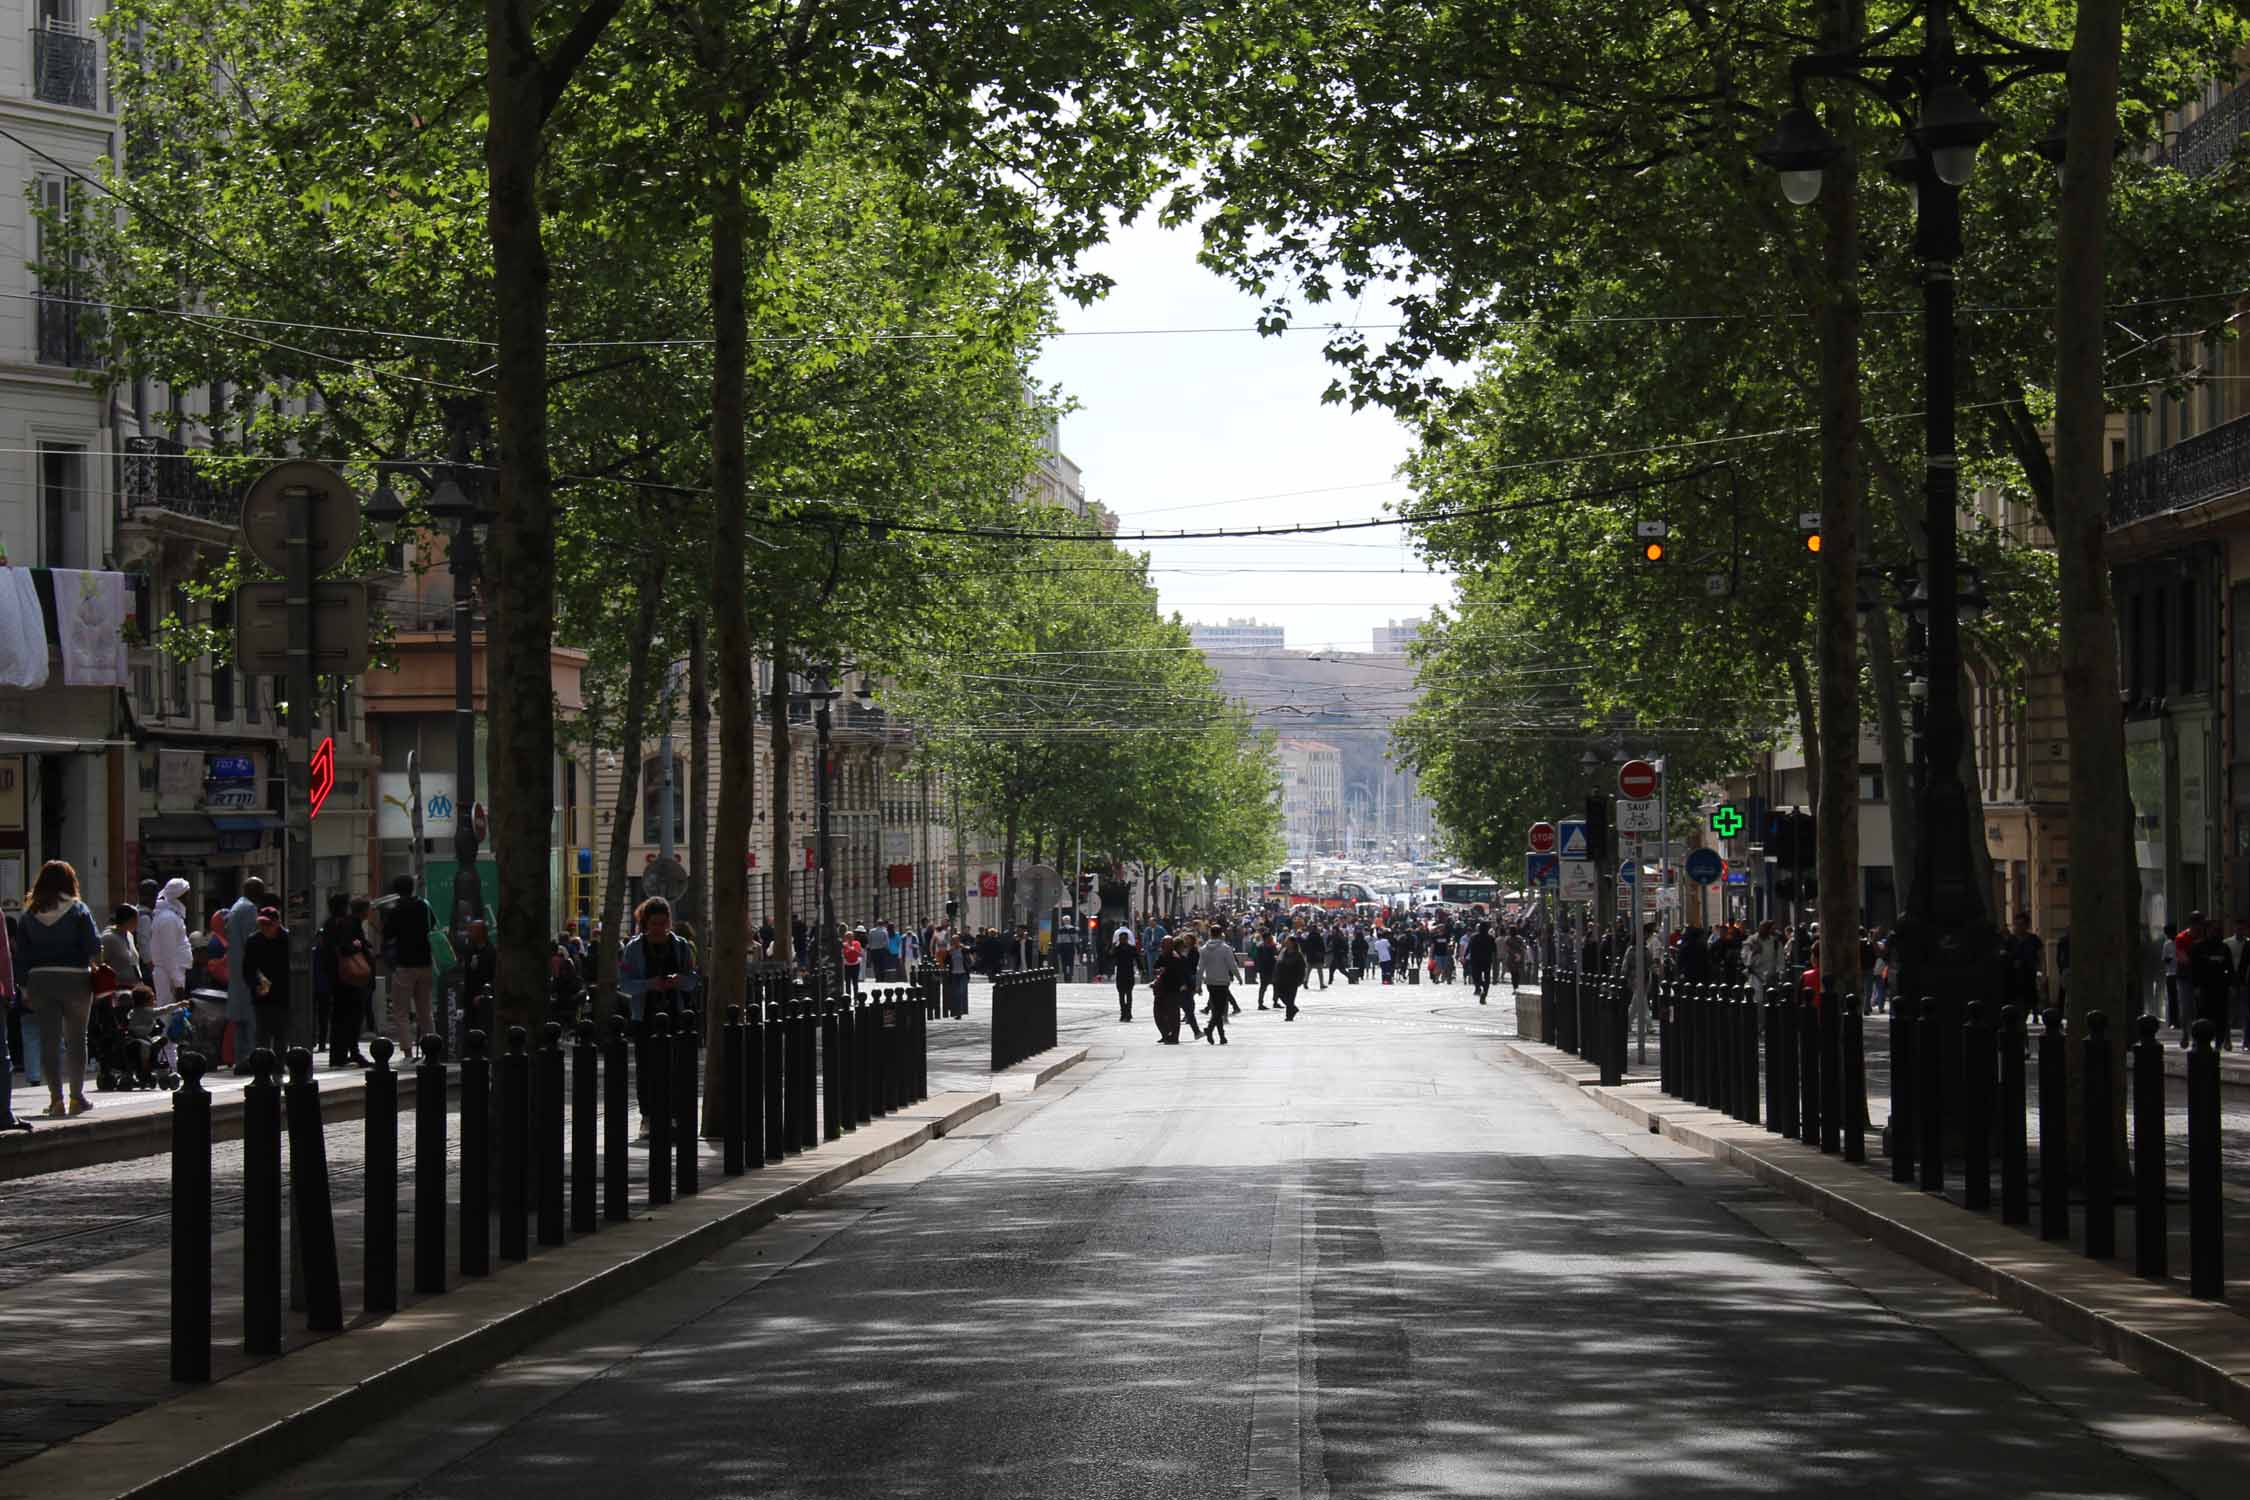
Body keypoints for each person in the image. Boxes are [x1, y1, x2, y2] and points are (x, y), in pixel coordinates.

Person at [17, 860, 102, 1118]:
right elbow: (94, 946)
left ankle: (56, 1100)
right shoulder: (78, 910)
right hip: (75, 979)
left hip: (40, 980)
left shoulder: (30, 913)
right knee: (77, 1039)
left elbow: (21, 954)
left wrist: (24, 988)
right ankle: (77, 1097)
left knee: (48, 1041)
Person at [618, 896, 699, 1133]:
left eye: (664, 923)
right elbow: (625, 984)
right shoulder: (633, 949)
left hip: (675, 1013)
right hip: (645, 1015)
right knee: (646, 1068)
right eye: (654, 923)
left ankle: (675, 1114)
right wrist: (648, 984)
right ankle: (648, 1115)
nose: (659, 928)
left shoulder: (681, 946)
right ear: (645, 923)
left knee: (676, 1066)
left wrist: (679, 981)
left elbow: (693, 979)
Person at [319, 892, 375, 1068]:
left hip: (335, 977)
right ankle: (353, 1051)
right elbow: (347, 948)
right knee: (353, 1015)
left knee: (338, 1016)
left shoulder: (328, 924)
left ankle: (338, 1055)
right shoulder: (348, 923)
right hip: (351, 977)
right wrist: (359, 945)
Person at [384, 875, 437, 1057]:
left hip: (405, 964)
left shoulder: (396, 911)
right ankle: (431, 1049)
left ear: (397, 891)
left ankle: (407, 1052)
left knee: (401, 1011)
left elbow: (388, 934)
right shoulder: (424, 906)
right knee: (425, 1010)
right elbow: (433, 925)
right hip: (425, 963)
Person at [223, 877, 268, 1070]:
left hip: (235, 968)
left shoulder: (236, 907)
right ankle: (251, 1057)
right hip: (247, 969)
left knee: (240, 1018)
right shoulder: (249, 909)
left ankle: (241, 1058)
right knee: (251, 1017)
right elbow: (253, 941)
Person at [240, 906, 293, 1059]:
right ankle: (263, 1068)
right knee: (262, 1034)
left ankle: (279, 1066)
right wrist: (255, 985)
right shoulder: (254, 941)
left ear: (277, 923)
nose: (264, 928)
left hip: (283, 994)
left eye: (268, 924)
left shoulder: (288, 939)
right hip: (262, 995)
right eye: (262, 924)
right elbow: (247, 969)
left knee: (281, 1033)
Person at [148, 878, 193, 1008]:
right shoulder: (169, 919)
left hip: (171, 974)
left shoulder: (171, 916)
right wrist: (178, 984)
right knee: (167, 1017)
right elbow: (169, 955)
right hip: (169, 976)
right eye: (187, 895)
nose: (189, 899)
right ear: (180, 896)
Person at [457, 919, 498, 1041]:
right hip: (469, 997)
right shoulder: (469, 950)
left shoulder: (492, 952)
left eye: (473, 930)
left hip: (484, 999)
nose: (469, 933)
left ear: (482, 933)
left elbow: (494, 976)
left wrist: (484, 995)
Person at [2001, 912, 2044, 1018]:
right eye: (2016, 924)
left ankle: (2029, 1014)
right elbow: (2004, 955)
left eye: (2021, 924)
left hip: (2029, 975)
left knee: (2028, 1000)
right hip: (2013, 977)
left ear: (2026, 925)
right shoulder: (2010, 940)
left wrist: (2041, 971)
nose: (2018, 927)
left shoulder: (2034, 940)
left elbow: (2040, 956)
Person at [1197, 928, 1240, 1030]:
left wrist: (1198, 984)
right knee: (1220, 1008)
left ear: (1210, 934)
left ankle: (1221, 1035)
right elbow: (1232, 964)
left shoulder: (1204, 949)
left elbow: (1200, 968)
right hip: (1223, 981)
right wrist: (1238, 977)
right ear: (1221, 934)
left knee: (1216, 1007)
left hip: (1210, 981)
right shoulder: (1226, 948)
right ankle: (1210, 1029)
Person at [102, 903, 145, 994]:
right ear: (129, 920)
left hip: (134, 987)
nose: (138, 923)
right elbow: (101, 964)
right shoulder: (108, 938)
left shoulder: (129, 936)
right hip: (117, 990)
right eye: (136, 920)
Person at [1274, 934, 1309, 1021]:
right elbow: (1278, 964)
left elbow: (1302, 968)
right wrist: (1275, 976)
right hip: (1281, 979)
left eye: (1288, 942)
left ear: (1293, 943)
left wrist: (1301, 979)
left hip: (1293, 980)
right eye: (1286, 941)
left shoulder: (1298, 955)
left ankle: (1289, 1016)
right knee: (1281, 994)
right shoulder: (1283, 952)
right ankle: (1293, 1008)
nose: (1286, 943)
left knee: (1290, 998)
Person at [1111, 923, 1140, 1021]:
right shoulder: (1122, 949)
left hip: (1125, 973)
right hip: (1124, 973)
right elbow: (1109, 956)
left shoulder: (1120, 949)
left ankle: (1126, 1012)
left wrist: (1111, 947)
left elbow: (1109, 956)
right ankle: (1125, 1012)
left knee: (1126, 994)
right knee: (1124, 994)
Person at [1466, 922, 1497, 1004]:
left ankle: (1481, 987)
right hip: (1486, 961)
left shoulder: (1474, 937)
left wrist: (1465, 956)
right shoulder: (1490, 938)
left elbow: (1469, 948)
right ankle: (1484, 992)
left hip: (1476, 961)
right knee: (1487, 978)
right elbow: (1494, 951)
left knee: (1476, 977)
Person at [1253, 928, 1279, 1008]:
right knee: (1263, 987)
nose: (1271, 938)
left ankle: (1275, 1002)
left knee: (1276, 985)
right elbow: (1258, 958)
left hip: (1272, 968)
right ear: (1266, 938)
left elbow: (1276, 955)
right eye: (1270, 937)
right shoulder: (1261, 946)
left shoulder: (1271, 946)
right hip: (1265, 969)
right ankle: (1260, 1004)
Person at [842, 929, 865, 997]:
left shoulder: (857, 943)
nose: (849, 938)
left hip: (855, 964)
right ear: (845, 937)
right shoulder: (843, 945)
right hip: (847, 965)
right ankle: (847, 997)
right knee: (847, 982)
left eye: (851, 936)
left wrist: (851, 949)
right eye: (848, 936)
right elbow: (844, 953)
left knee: (855, 982)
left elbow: (859, 953)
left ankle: (856, 997)